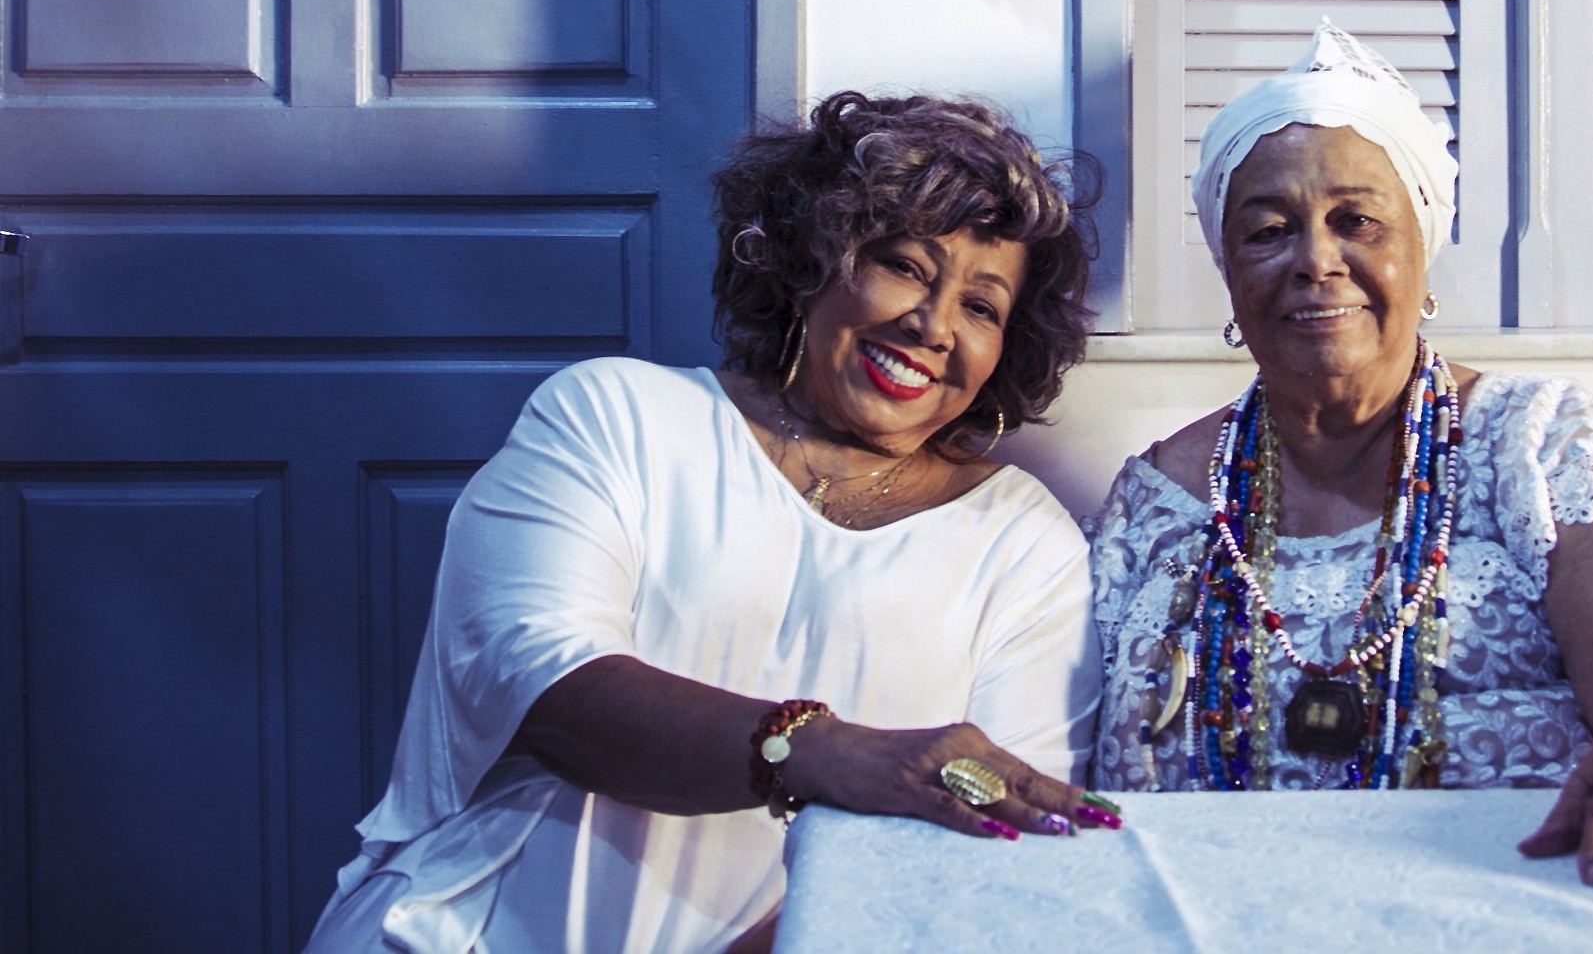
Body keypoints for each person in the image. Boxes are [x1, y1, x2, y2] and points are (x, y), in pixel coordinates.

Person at [307, 91, 1124, 953]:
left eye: (982, 306)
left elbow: (991, 841)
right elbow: (544, 686)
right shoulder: (615, 416)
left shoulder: (1023, 541)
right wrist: (820, 751)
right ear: (810, 257)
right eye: (905, 266)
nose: (933, 324)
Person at [1085, 23, 1593, 898]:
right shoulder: (1161, 503)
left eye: (1357, 221)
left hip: (1509, 904)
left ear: (1420, 248)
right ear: (1229, 273)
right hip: (1209, 912)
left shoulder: (1537, 446)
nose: (1317, 260)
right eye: (1268, 230)